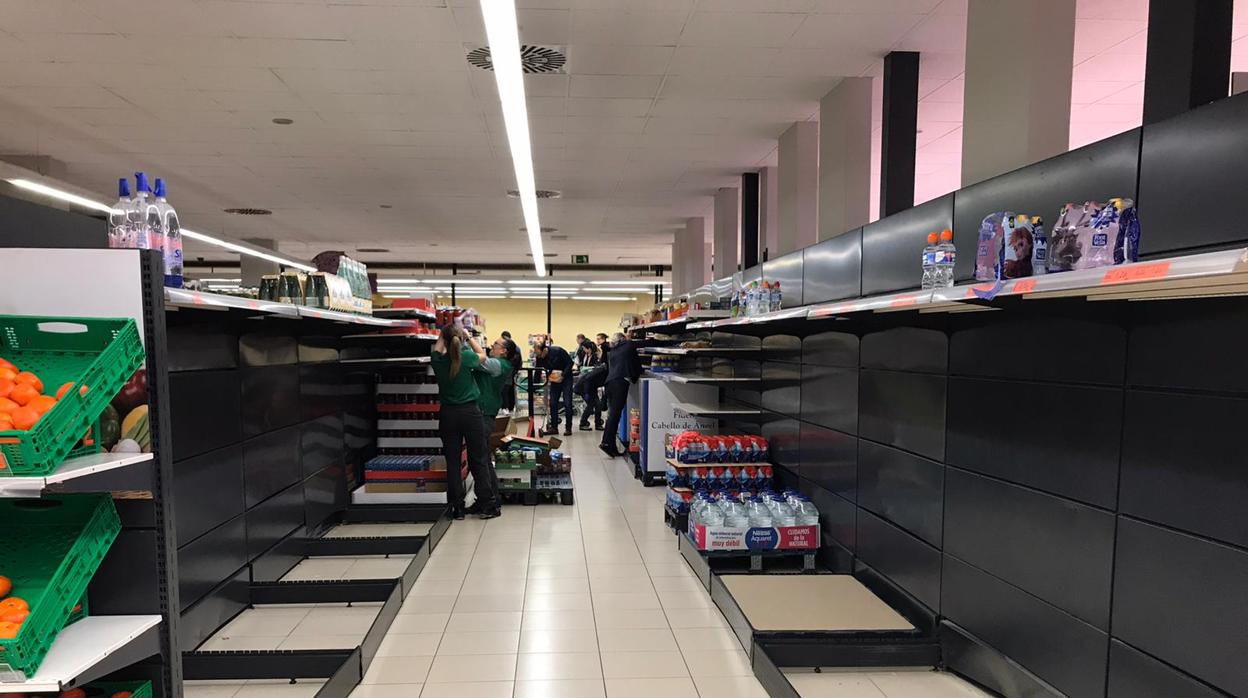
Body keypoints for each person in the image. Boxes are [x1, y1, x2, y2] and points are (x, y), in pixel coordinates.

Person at [431, 323, 498, 520]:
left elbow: (438, 347)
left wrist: (444, 334)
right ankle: (486, 505)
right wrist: (468, 337)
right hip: (470, 413)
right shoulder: (466, 358)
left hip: (448, 415)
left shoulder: (438, 360)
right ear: (460, 340)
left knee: (452, 462)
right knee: (477, 459)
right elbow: (483, 355)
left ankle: (457, 508)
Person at [471, 337, 522, 518]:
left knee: (481, 459)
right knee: (480, 459)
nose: (492, 345)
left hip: (485, 413)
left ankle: (491, 503)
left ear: (504, 351)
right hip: (482, 411)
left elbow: (479, 360)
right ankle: (486, 499)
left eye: (496, 344)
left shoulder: (500, 365)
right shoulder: (500, 363)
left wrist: (468, 338)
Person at [600, 332, 641, 457]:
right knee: (615, 415)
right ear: (623, 339)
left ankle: (610, 445)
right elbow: (636, 364)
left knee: (613, 415)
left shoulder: (613, 351)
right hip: (619, 384)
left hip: (610, 383)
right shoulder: (628, 345)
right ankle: (606, 443)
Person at [533, 340, 574, 436]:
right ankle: (554, 427)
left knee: (567, 403)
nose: (538, 356)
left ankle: (568, 428)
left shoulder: (558, 351)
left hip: (566, 378)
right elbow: (538, 372)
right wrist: (534, 389)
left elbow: (570, 363)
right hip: (554, 380)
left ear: (543, 350)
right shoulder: (539, 357)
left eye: (538, 353)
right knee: (553, 403)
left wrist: (563, 375)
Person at [573, 337, 605, 431]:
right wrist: (586, 393)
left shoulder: (597, 362)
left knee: (595, 405)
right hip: (584, 387)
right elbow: (587, 379)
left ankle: (593, 423)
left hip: (589, 387)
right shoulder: (585, 356)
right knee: (593, 405)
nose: (583, 350)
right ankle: (586, 423)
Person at [499, 331, 516, 410]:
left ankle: (506, 409)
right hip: (510, 375)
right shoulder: (515, 348)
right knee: (507, 393)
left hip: (507, 376)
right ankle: (508, 409)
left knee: (504, 393)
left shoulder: (512, 348)